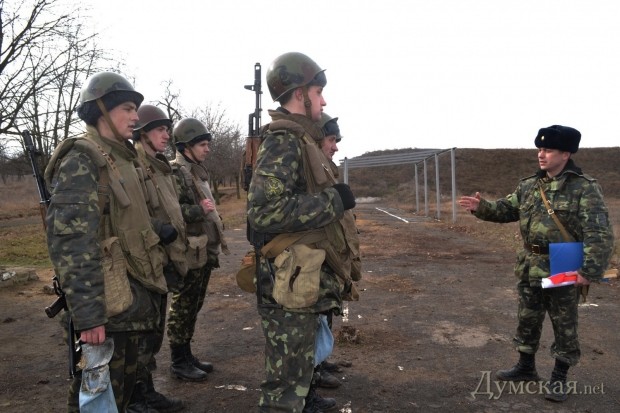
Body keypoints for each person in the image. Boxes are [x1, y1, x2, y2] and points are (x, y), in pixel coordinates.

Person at [458, 125, 614, 402]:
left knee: (564, 322)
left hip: (564, 262)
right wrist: (481, 207)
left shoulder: (584, 188)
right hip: (530, 262)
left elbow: (599, 233)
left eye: (548, 150)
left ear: (566, 154)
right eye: (539, 149)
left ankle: (559, 377)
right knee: (527, 317)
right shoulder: (530, 185)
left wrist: (589, 270)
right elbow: (508, 209)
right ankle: (525, 367)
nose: (541, 154)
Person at [45, 72, 170, 412]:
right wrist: (89, 316)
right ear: (101, 109)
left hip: (130, 305)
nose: (135, 117)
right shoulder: (83, 159)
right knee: (96, 399)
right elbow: (71, 243)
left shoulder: (122, 159)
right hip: (107, 310)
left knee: (121, 397)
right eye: (128, 108)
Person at [247, 52, 358, 413]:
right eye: (318, 92)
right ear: (300, 94)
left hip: (301, 278)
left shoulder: (301, 140)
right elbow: (264, 213)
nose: (323, 101)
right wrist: (332, 201)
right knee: (284, 389)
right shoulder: (283, 141)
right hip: (287, 283)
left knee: (298, 374)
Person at [128, 104, 186, 412]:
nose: (166, 135)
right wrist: (157, 229)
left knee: (154, 331)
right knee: (142, 334)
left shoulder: (160, 166)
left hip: (162, 258)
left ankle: (146, 390)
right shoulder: (135, 164)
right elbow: (132, 213)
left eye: (167, 130)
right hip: (145, 259)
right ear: (143, 133)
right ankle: (137, 396)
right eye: (160, 129)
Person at [167, 117, 228, 382]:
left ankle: (187, 354)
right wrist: (198, 210)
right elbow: (171, 211)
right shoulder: (176, 172)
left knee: (195, 304)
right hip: (188, 251)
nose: (207, 149)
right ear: (185, 146)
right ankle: (178, 361)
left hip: (202, 249)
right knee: (184, 305)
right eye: (202, 144)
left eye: (207, 144)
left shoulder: (196, 172)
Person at [312, 113, 362, 390]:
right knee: (317, 313)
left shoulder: (326, 169)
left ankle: (320, 361)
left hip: (331, 254)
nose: (335, 146)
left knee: (328, 309)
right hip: (319, 255)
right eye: (331, 140)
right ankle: (313, 368)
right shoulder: (311, 171)